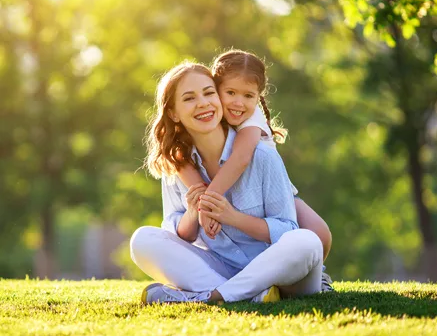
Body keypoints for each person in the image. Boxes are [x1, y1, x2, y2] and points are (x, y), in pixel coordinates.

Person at [130, 62, 324, 304]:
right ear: (173, 113)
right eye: (189, 98)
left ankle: (212, 296)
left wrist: (233, 217)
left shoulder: (262, 156)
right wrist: (192, 214)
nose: (203, 103)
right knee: (142, 240)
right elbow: (176, 235)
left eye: (209, 93)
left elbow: (287, 229)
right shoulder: (176, 165)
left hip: (281, 275)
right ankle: (249, 295)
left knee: (307, 242)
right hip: (219, 268)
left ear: (220, 99)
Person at [176, 50, 333, 290]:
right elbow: (177, 157)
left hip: (275, 190)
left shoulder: (252, 120)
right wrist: (198, 203)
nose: (238, 103)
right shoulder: (208, 111)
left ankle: (318, 274)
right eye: (230, 93)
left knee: (318, 235)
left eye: (249, 95)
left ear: (258, 98)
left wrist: (209, 202)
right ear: (216, 88)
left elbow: (240, 159)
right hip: (233, 192)